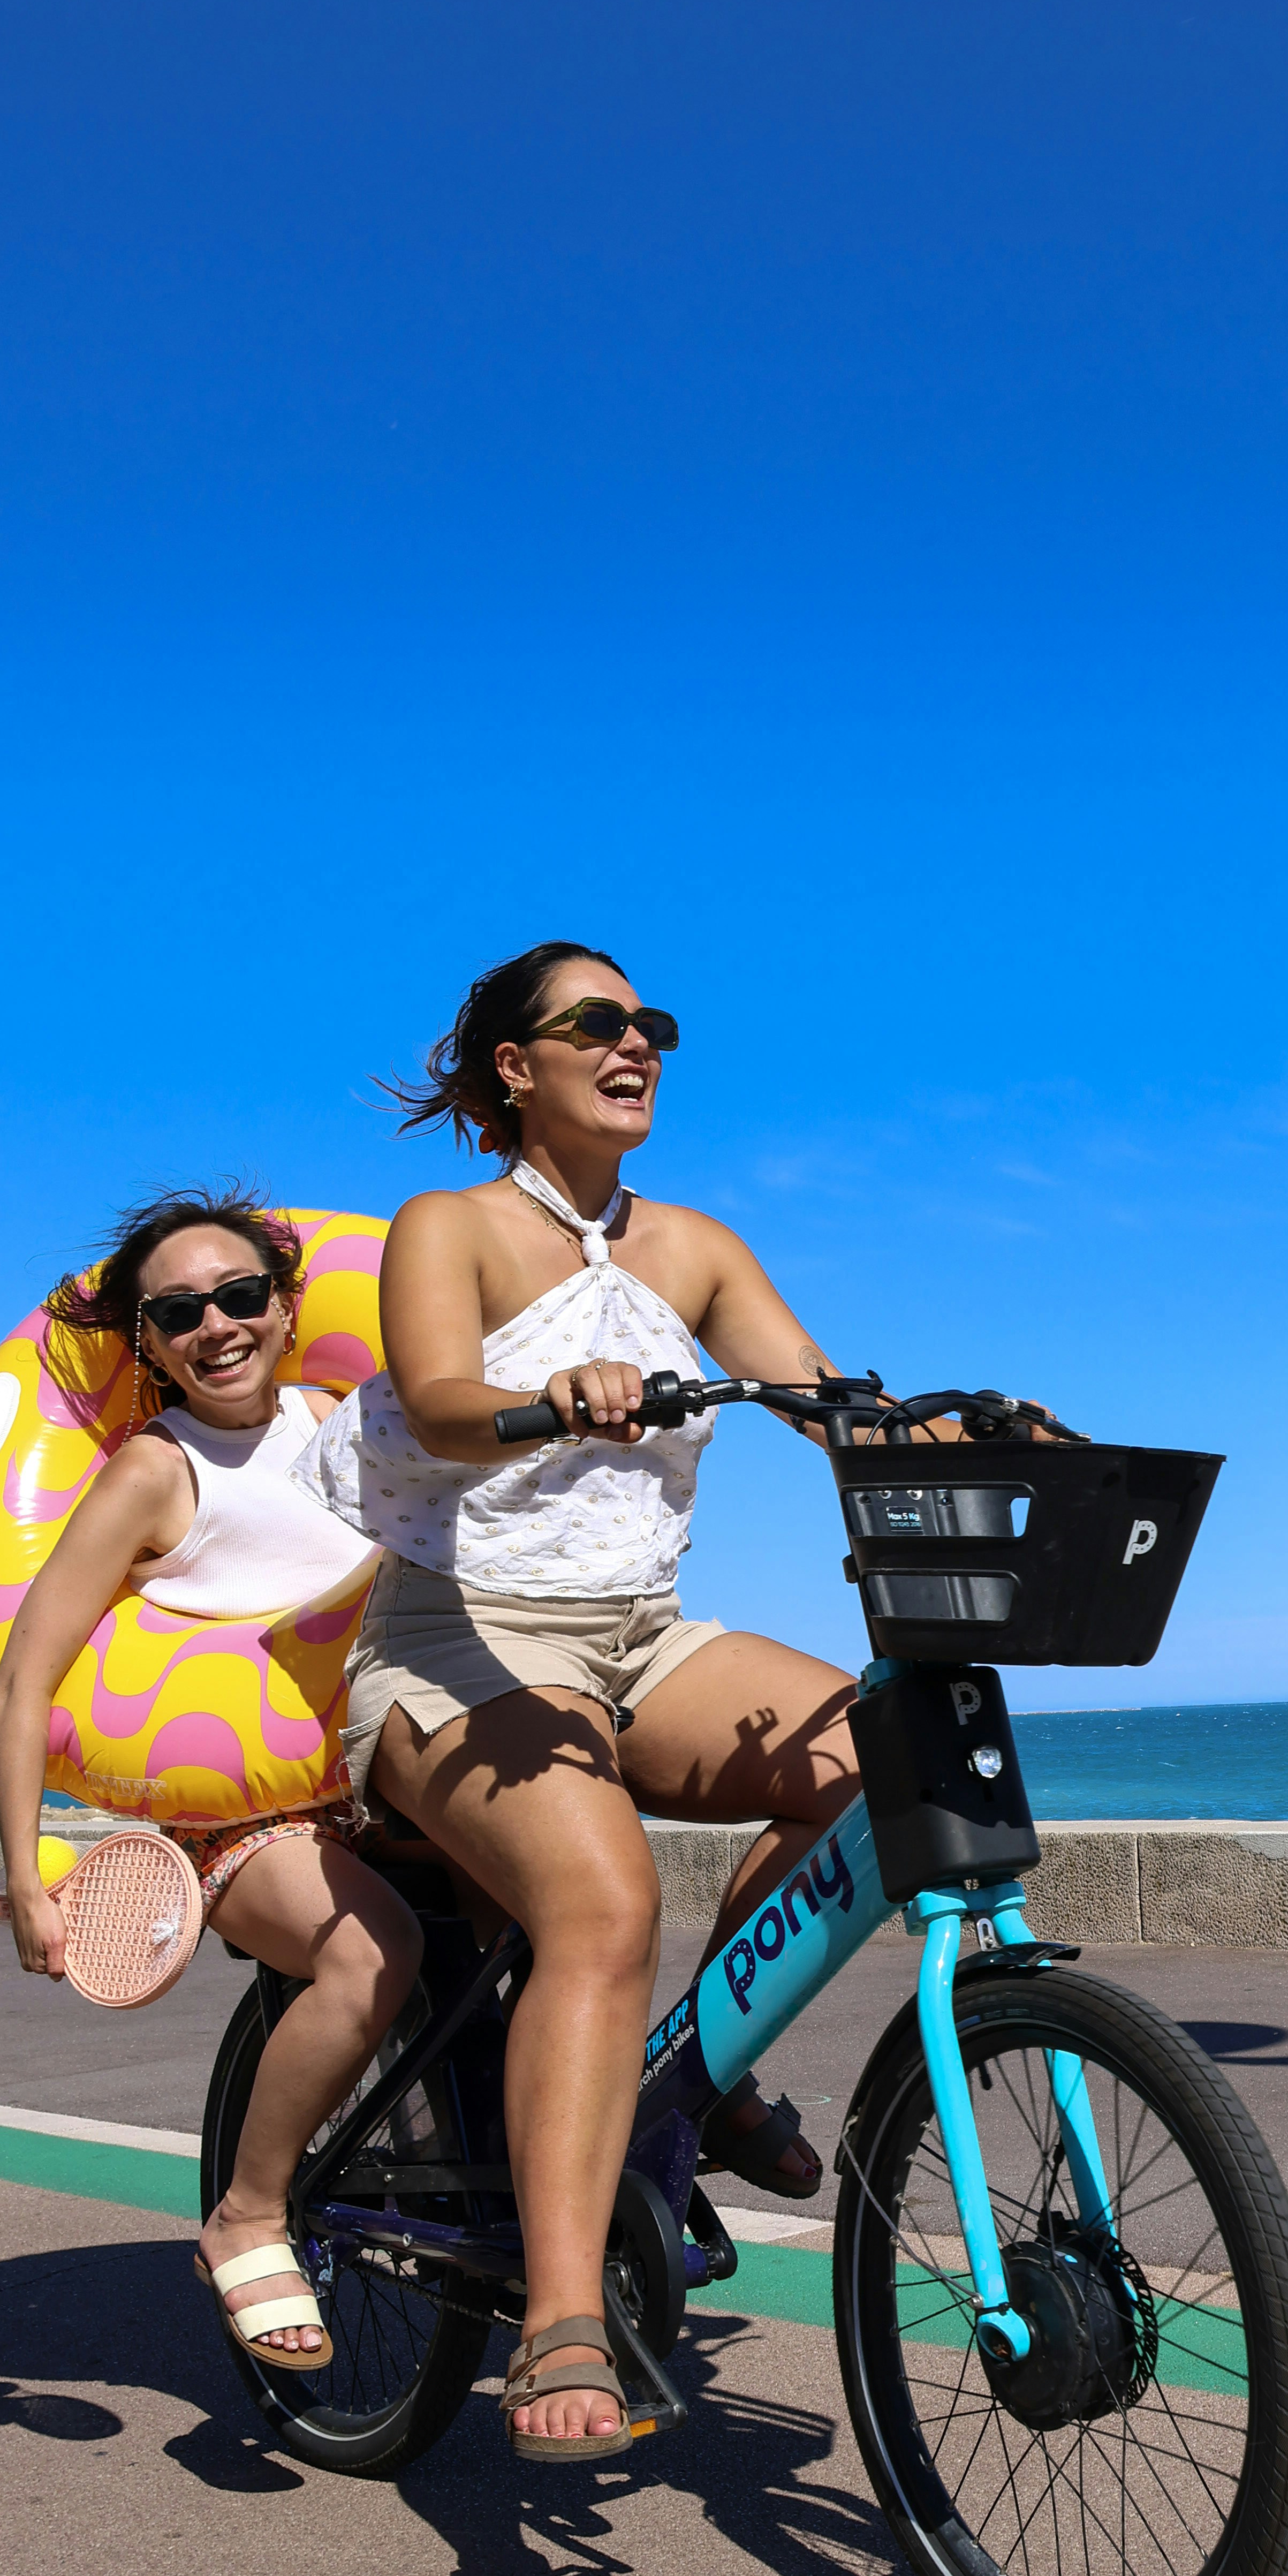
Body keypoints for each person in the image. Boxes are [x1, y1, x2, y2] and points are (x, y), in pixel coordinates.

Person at [296, 941, 916, 2461]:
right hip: (456, 1642)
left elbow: (822, 1396)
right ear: (516, 1066)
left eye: (652, 1026)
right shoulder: (452, 1227)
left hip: (637, 1637)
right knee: (603, 1904)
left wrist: (920, 1425)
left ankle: (692, 2084)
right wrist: (547, 1397)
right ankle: (563, 2313)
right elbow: (437, 1396)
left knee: (876, 1757)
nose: (635, 1044)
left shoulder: (694, 1247)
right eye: (597, 1025)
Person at [0, 1194, 421, 2366]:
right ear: (151, 1343)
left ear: (288, 1308)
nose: (216, 1326)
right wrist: (26, 1874)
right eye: (179, 1313)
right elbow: (25, 1680)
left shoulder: (349, 1420)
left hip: (403, 1773)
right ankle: (249, 2211)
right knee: (371, 1952)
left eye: (239, 1297)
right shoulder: (153, 1470)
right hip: (248, 1817)